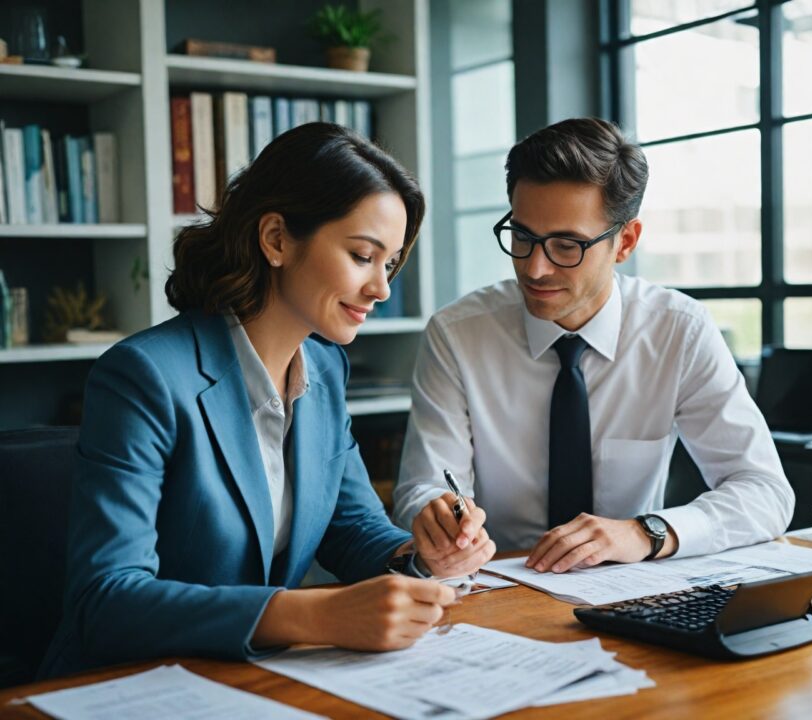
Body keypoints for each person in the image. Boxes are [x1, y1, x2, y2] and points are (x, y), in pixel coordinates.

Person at [39, 123, 492, 680]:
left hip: (253, 681)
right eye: (361, 255)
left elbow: (352, 528)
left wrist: (426, 555)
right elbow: (104, 601)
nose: (382, 288)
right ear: (276, 238)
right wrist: (312, 613)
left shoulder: (324, 369)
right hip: (124, 686)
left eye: (390, 263)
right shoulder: (144, 377)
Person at [393, 117, 795, 576]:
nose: (536, 268)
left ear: (625, 242)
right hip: (496, 585)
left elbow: (765, 490)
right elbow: (423, 485)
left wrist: (646, 532)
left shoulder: (678, 330)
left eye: (567, 245)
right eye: (522, 237)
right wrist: (440, 519)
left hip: (628, 586)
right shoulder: (457, 333)